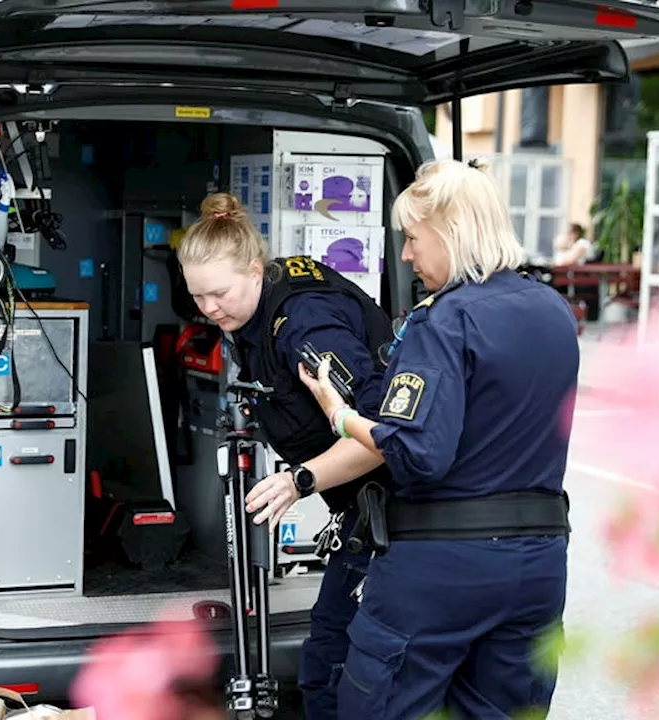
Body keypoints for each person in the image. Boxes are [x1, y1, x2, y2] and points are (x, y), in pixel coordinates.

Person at [297, 157, 579, 720]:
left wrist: (340, 413)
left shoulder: (444, 321)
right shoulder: (553, 312)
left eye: (411, 238)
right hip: (538, 568)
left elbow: (418, 451)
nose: (405, 255)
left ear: (452, 232)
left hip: (441, 571)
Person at [175, 192, 395, 720]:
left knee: (332, 668)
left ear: (255, 269)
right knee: (327, 664)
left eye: (219, 294)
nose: (209, 309)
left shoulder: (306, 325)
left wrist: (301, 480)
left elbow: (383, 434)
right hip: (367, 512)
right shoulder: (253, 311)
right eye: (197, 297)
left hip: (404, 515)